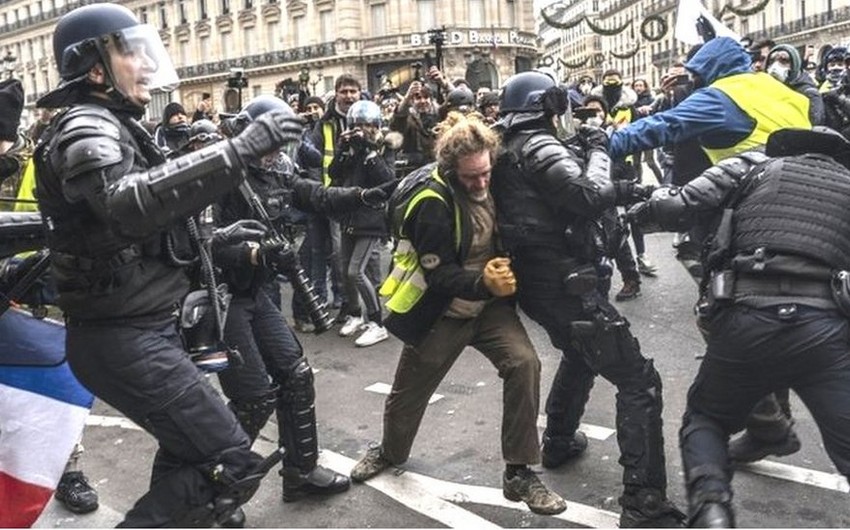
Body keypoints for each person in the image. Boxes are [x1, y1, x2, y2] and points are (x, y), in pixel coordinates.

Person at [32, 4, 303, 525]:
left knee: (189, 454)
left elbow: (140, 231)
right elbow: (124, 205)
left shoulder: (120, 125)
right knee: (230, 458)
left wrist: (219, 236)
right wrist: (237, 151)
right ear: (95, 69)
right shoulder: (85, 124)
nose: (147, 65)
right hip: (122, 336)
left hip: (149, 328)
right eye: (130, 52)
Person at [626, 127, 850, 527]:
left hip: (747, 314)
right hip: (825, 328)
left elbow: (678, 206)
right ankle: (768, 433)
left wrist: (643, 206)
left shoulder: (752, 164)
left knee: (706, 419)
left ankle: (713, 513)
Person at [491, 70, 684, 527]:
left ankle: (558, 439)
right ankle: (644, 502)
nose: (570, 117)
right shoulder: (538, 144)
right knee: (638, 380)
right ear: (547, 107)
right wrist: (599, 148)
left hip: (538, 283)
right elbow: (587, 195)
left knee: (578, 355)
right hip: (565, 282)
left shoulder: (508, 147)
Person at [349, 113, 567, 516]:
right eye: (471, 178)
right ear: (451, 171)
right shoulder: (432, 204)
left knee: (524, 364)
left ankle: (518, 472)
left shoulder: (497, 178)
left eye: (485, 173)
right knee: (407, 395)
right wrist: (484, 282)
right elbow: (440, 276)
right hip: (442, 312)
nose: (481, 184)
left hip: (489, 309)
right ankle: (389, 451)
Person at [609, 37, 812, 166]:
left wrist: (605, 143)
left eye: (696, 73)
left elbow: (664, 125)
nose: (693, 81)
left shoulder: (719, 96)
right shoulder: (773, 85)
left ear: (709, 69)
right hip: (810, 180)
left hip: (763, 194)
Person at [328, 100, 395, 347]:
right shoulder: (350, 147)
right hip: (349, 212)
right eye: (358, 124)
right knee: (345, 270)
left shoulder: (384, 145)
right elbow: (334, 173)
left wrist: (369, 152)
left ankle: (378, 322)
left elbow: (387, 180)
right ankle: (355, 314)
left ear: (376, 124)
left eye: (368, 124)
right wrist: (344, 150)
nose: (363, 129)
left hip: (371, 217)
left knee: (356, 271)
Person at [765, 44, 825, 125]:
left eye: (784, 61)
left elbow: (815, 126)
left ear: (794, 64)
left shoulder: (809, 93)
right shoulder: (766, 90)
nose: (775, 66)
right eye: (771, 61)